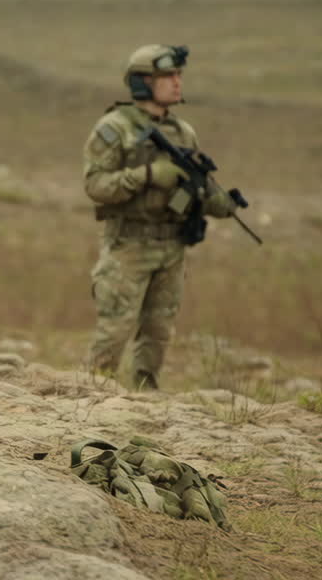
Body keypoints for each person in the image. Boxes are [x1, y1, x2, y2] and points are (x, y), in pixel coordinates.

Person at [82, 44, 239, 390]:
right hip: (128, 244)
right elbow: (94, 185)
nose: (177, 83)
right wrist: (148, 175)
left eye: (179, 75)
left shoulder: (183, 132)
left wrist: (219, 200)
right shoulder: (114, 128)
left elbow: (197, 186)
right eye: (167, 76)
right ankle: (89, 395)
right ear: (142, 82)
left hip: (171, 245)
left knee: (159, 329)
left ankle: (145, 395)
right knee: (115, 328)